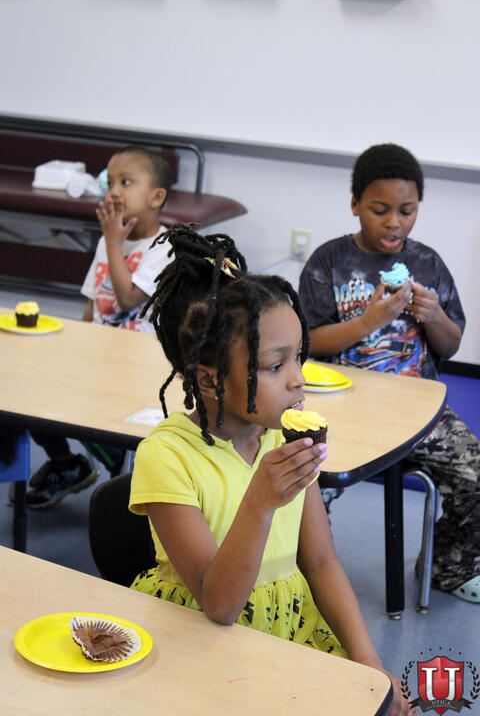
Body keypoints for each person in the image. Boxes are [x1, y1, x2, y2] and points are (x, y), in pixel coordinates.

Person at [129, 223, 410, 715]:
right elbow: (219, 606)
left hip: (290, 625)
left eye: (298, 358)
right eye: (276, 366)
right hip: (201, 639)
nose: (299, 381)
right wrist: (260, 502)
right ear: (211, 381)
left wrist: (369, 661)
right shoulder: (167, 456)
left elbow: (321, 562)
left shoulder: (280, 441)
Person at [299, 143, 480, 603]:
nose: (394, 222)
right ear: (356, 204)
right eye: (380, 210)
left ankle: (446, 567)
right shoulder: (329, 262)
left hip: (415, 409)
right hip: (337, 406)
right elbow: (307, 342)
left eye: (407, 210)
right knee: (302, 479)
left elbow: (451, 343)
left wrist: (435, 315)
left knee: (476, 471)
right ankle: (309, 569)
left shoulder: (428, 264)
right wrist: (369, 322)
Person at [25, 146, 174, 509]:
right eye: (109, 183)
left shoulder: (166, 246)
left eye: (126, 182)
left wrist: (112, 241)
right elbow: (94, 302)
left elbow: (127, 299)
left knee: (127, 448)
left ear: (156, 197)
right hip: (100, 361)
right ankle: (66, 464)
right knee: (30, 392)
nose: (114, 192)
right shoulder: (112, 240)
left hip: (141, 369)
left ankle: (120, 473)